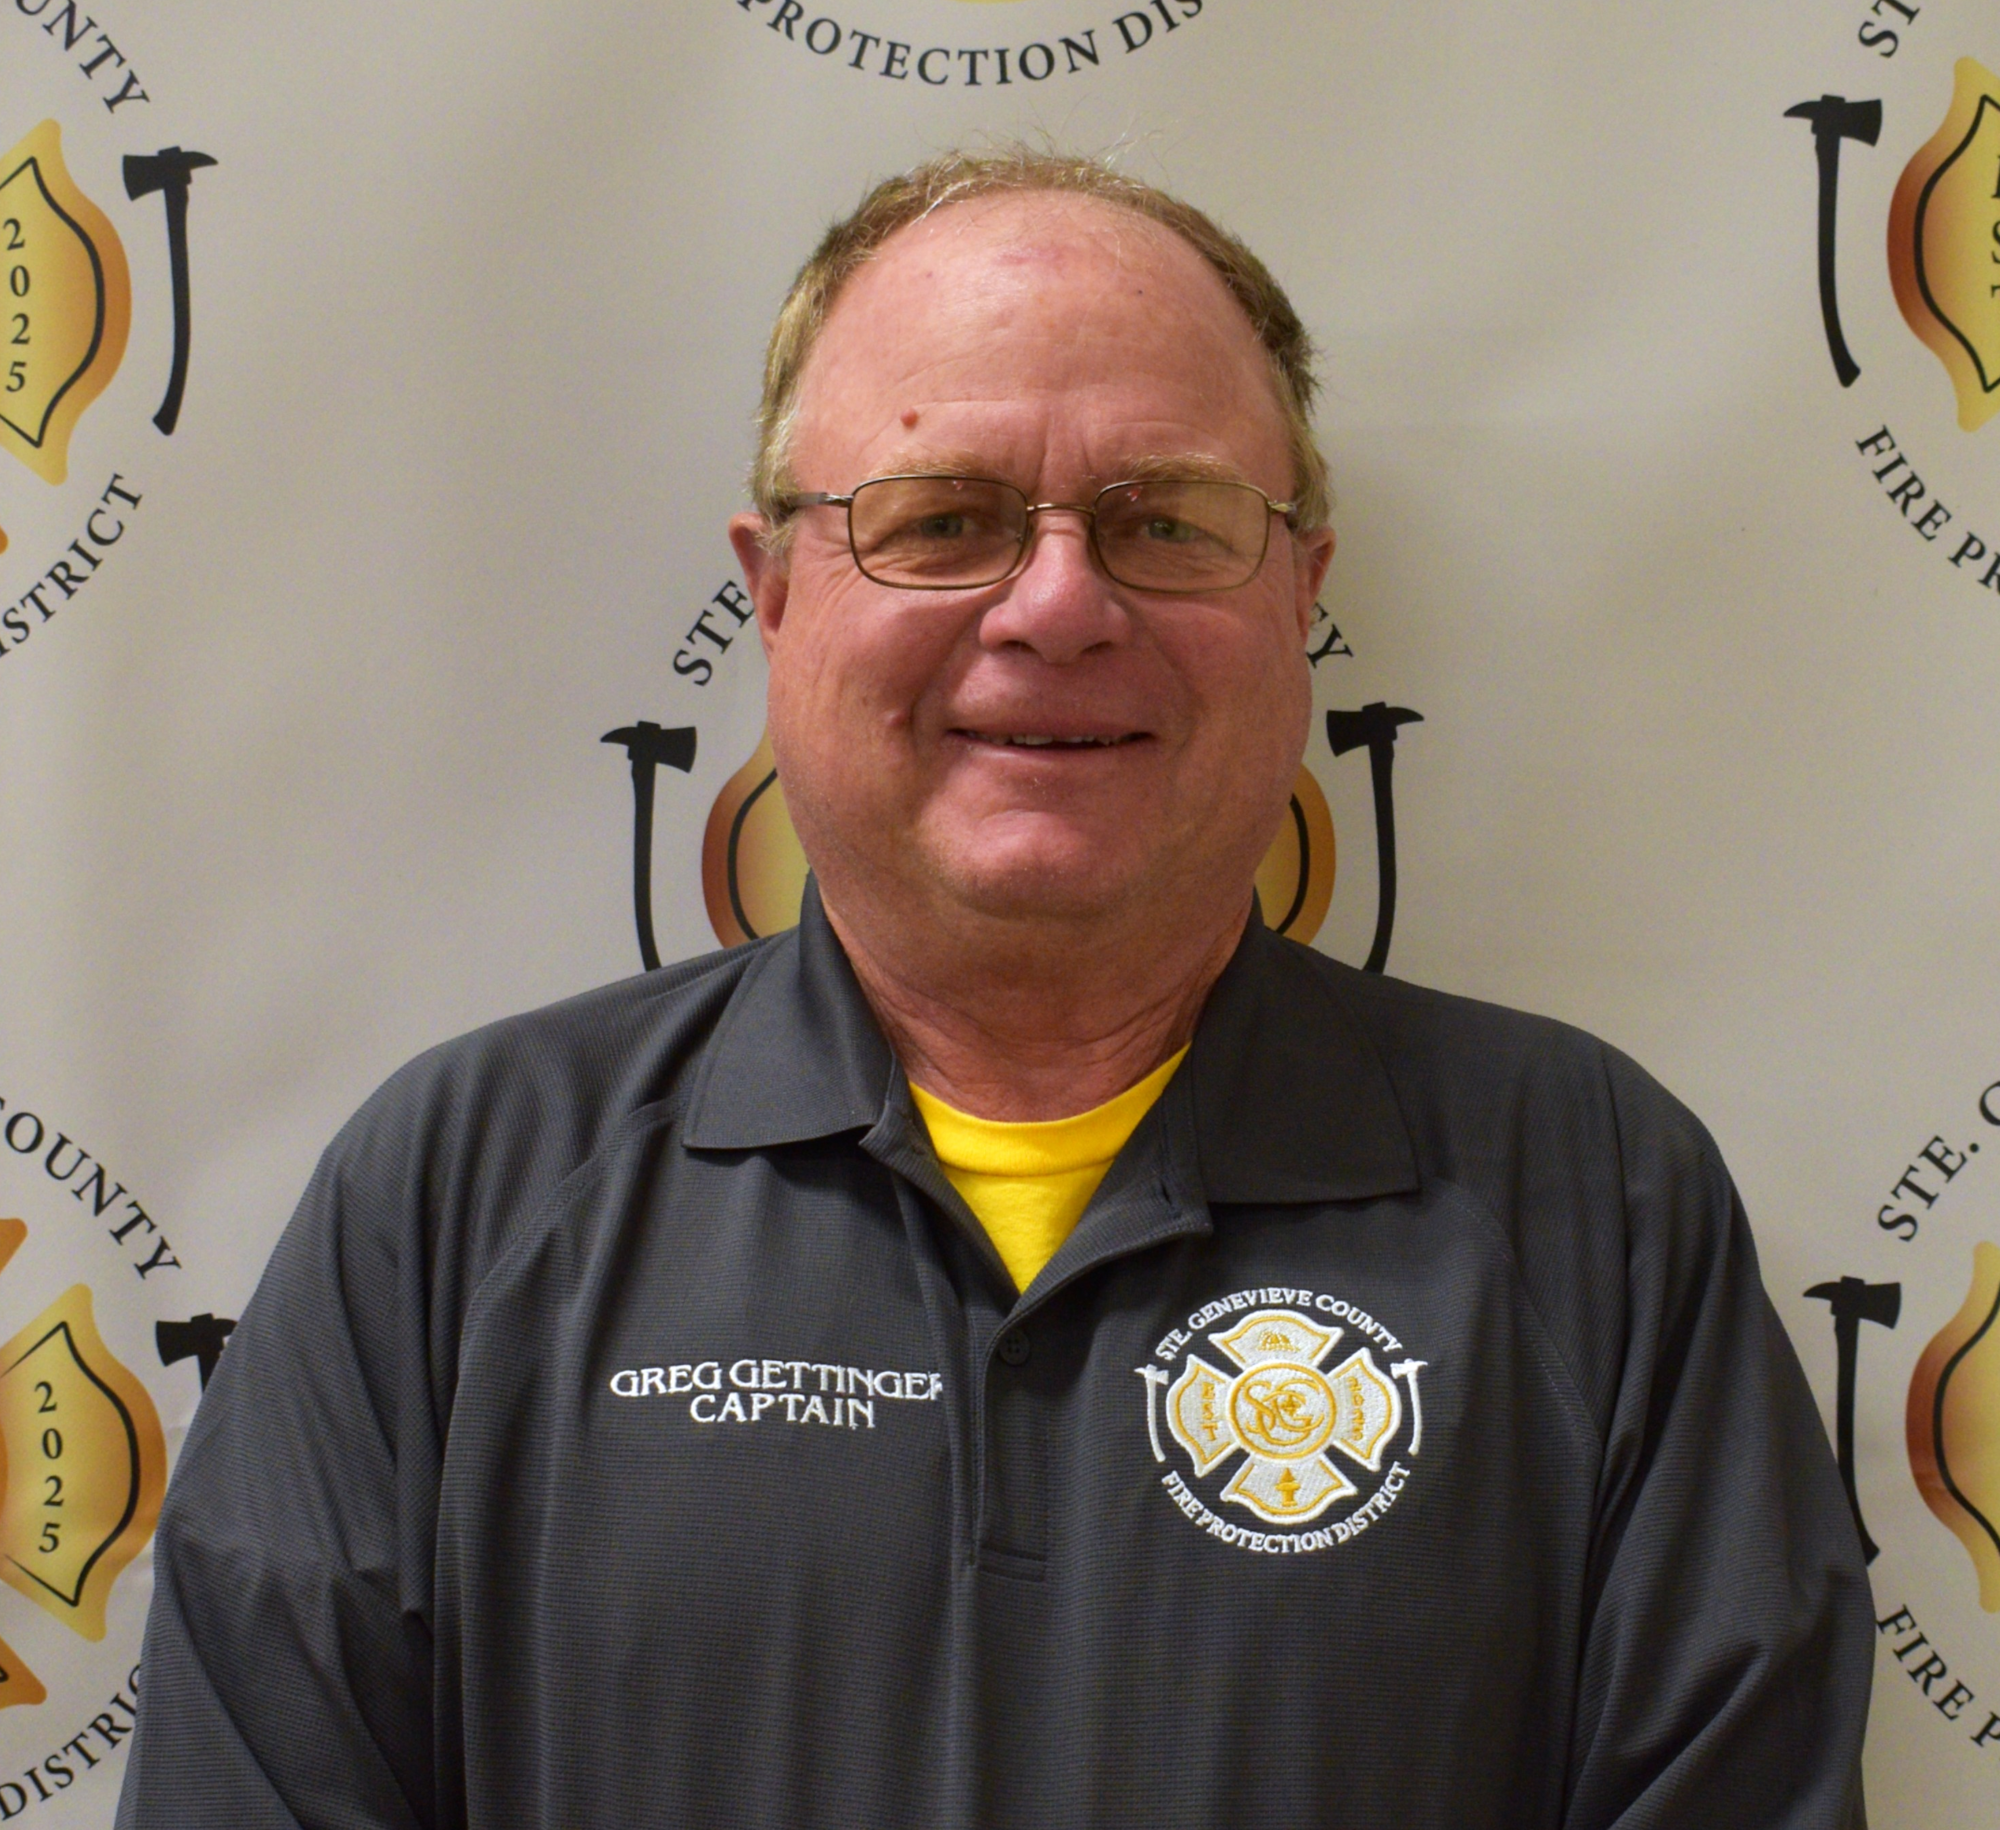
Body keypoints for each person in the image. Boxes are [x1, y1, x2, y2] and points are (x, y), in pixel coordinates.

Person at [117, 147, 1872, 1829]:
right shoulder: (458, 1199)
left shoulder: (1596, 1204)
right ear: (778, 591)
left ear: (1300, 593)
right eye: (942, 517)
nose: (1056, 602)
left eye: (1164, 519)